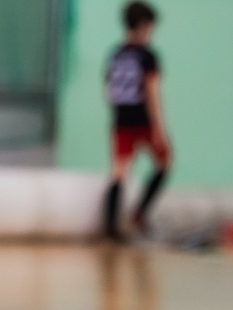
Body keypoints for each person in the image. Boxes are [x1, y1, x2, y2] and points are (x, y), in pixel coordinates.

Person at [102, 1, 170, 240]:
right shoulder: (147, 56)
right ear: (142, 27)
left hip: (121, 119)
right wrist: (159, 129)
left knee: (119, 172)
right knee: (164, 161)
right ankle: (139, 213)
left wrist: (118, 113)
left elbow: (108, 91)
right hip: (143, 120)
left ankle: (109, 227)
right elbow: (152, 93)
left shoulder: (115, 54)